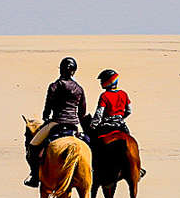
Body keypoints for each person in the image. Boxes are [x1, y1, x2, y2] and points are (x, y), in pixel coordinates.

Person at [25, 57, 90, 187]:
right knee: (89, 145)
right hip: (74, 124)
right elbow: (82, 111)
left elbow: (48, 104)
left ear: (61, 69)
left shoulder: (55, 85)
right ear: (74, 71)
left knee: (32, 146)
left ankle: (34, 176)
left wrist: (45, 116)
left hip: (57, 122)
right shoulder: (79, 89)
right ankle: (91, 172)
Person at [90, 69, 131, 136]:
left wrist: (93, 125)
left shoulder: (104, 95)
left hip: (107, 125)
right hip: (121, 124)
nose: (101, 83)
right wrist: (120, 117)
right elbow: (129, 111)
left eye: (102, 80)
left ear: (109, 81)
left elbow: (99, 113)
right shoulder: (123, 94)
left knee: (93, 141)